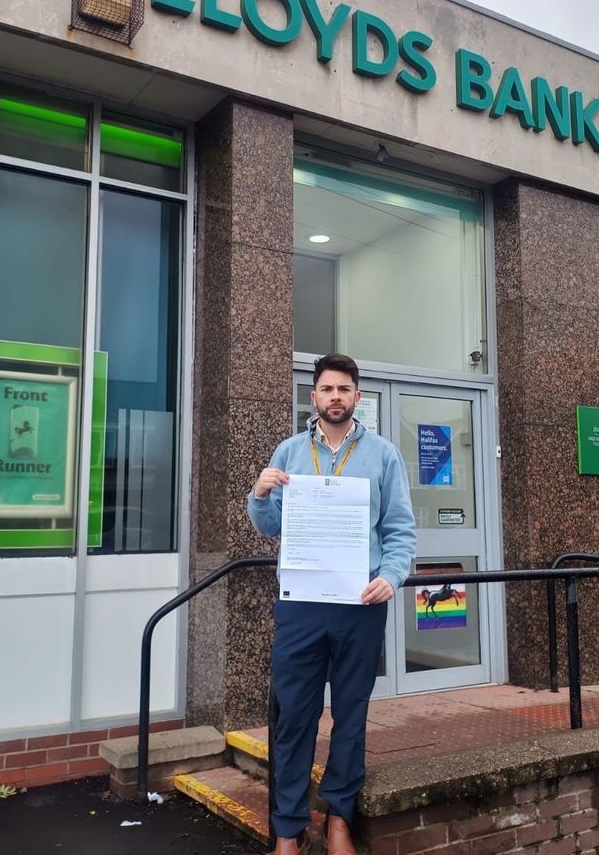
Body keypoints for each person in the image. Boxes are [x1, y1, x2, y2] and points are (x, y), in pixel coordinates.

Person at [248, 353, 416, 855]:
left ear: (357, 397)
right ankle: (288, 828)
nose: (335, 397)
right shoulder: (290, 452)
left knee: (351, 714)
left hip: (360, 604)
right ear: (314, 396)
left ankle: (339, 818)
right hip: (301, 606)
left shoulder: (383, 454)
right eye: (326, 389)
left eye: (344, 389)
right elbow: (271, 526)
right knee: (294, 716)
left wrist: (390, 576)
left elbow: (400, 530)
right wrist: (259, 494)